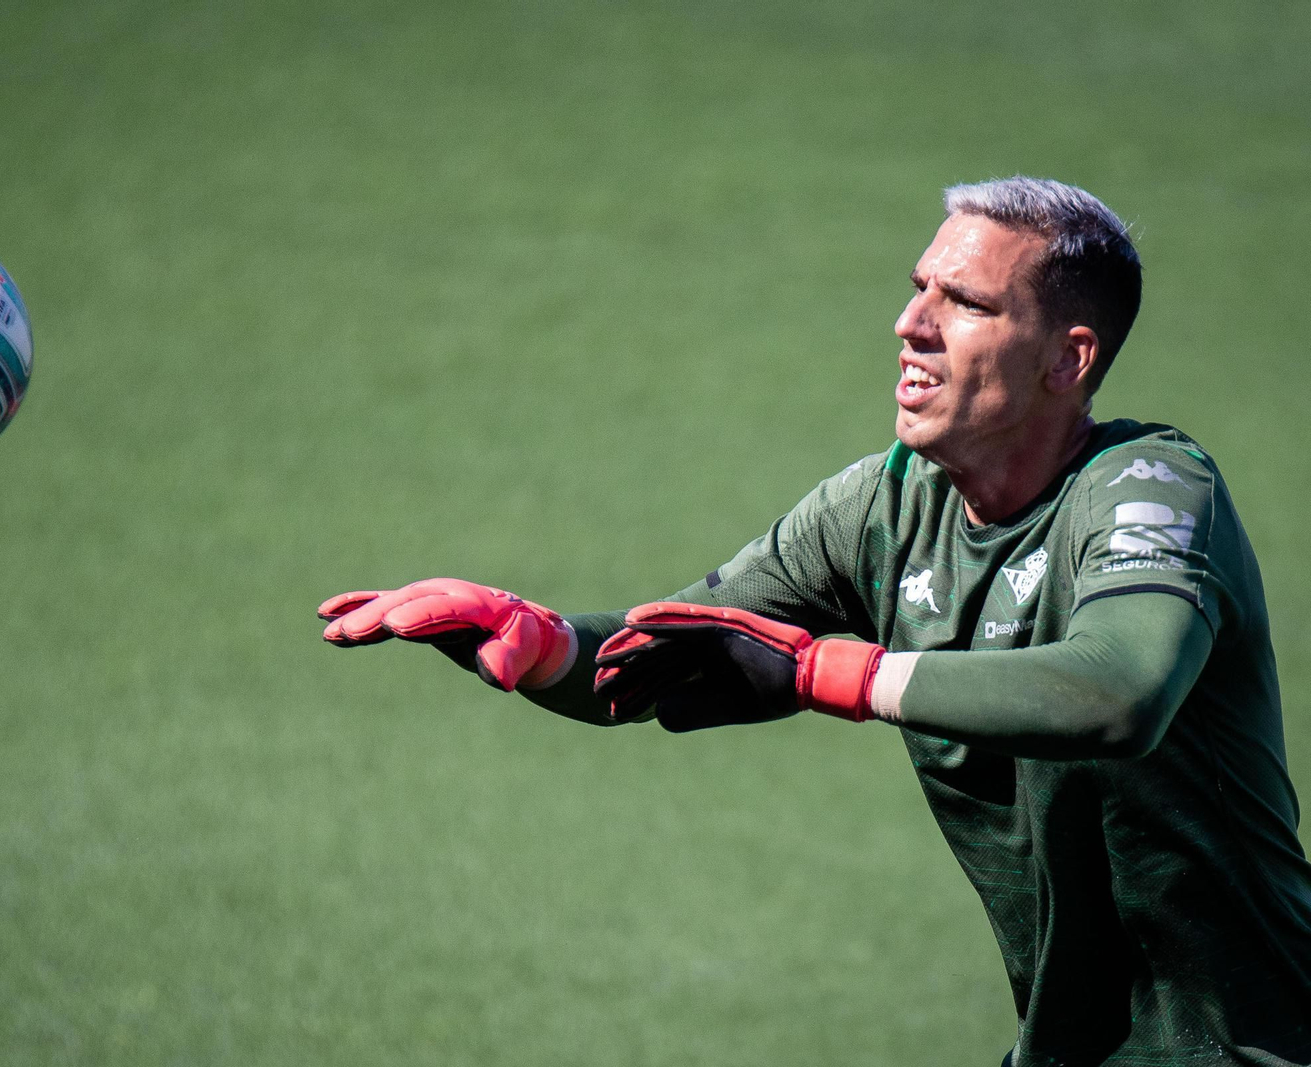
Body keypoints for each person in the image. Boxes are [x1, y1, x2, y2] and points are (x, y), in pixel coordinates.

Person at [318, 177, 1311, 1066]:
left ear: (1067, 357)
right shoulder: (879, 509)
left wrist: (828, 674)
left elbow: (1117, 688)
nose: (909, 322)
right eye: (919, 286)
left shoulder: (1150, 487)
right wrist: (541, 646)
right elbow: (674, 651)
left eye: (961, 301)